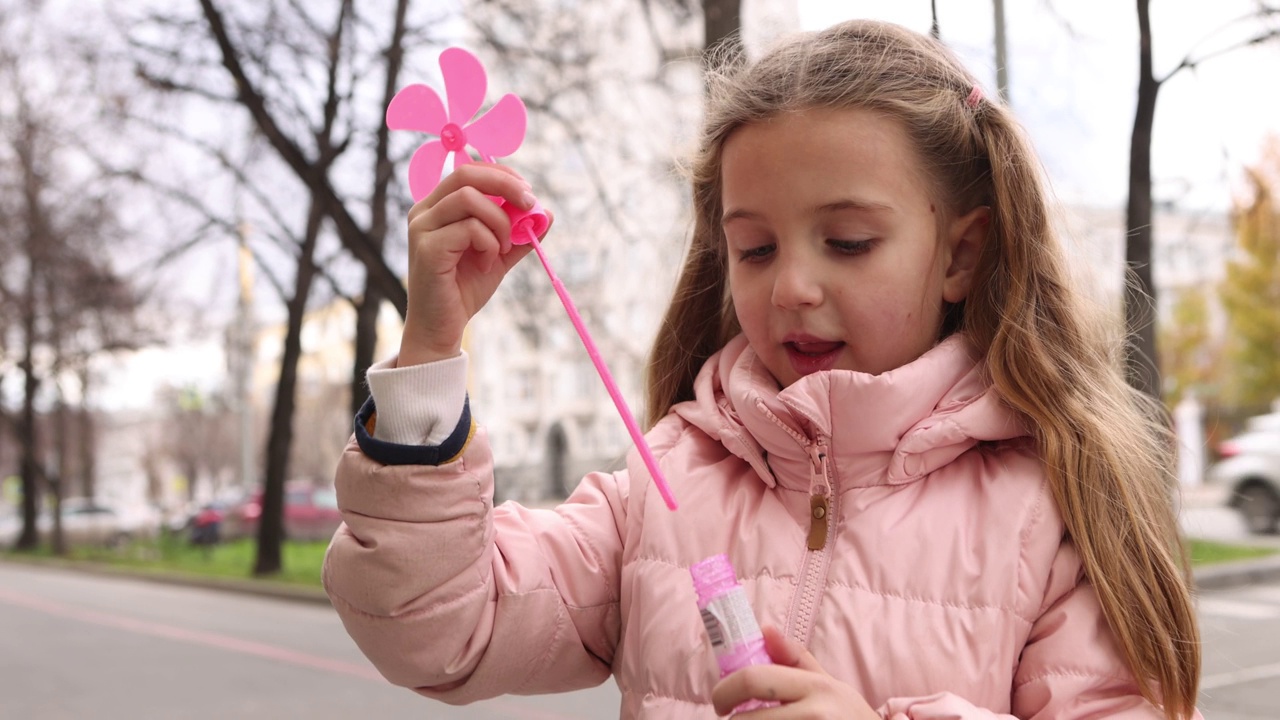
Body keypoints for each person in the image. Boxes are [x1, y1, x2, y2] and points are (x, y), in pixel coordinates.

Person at [323, 19, 1202, 720]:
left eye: (849, 242)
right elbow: (441, 628)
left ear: (961, 254)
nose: (791, 287)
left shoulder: (1049, 507)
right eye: (754, 248)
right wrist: (432, 354)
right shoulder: (666, 480)